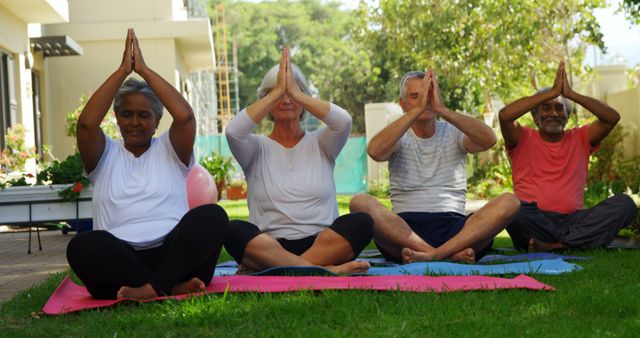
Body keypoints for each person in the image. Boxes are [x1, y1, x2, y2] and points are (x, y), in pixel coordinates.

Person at [66, 29, 228, 300]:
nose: (134, 122)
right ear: (116, 117)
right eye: (127, 114)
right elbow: (85, 124)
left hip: (176, 255)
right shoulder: (104, 154)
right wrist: (122, 72)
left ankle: (151, 288)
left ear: (157, 119)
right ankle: (167, 287)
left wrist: (144, 70)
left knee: (213, 216)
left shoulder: (171, 149)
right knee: (82, 246)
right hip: (120, 258)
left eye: (144, 115)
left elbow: (186, 118)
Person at [224, 48, 373, 274]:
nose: (286, 99)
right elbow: (233, 131)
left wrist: (296, 93)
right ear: (266, 100)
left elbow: (343, 121)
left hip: (323, 243)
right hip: (270, 245)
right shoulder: (254, 147)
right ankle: (324, 271)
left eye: (292, 92)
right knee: (232, 229)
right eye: (277, 93)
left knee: (362, 222)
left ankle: (279, 269)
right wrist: (278, 92)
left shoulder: (322, 142)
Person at [350, 70, 520, 263]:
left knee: (510, 202)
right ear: (402, 103)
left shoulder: (453, 132)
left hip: (456, 231)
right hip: (405, 232)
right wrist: (415, 111)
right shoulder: (398, 134)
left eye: (430, 95)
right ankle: (444, 255)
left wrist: (443, 110)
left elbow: (489, 140)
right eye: (417, 96)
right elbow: (375, 151)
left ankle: (432, 255)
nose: (425, 101)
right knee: (359, 203)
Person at [498, 62, 638, 252]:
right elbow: (505, 115)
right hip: (533, 220)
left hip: (572, 220)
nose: (553, 113)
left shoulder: (580, 137)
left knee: (625, 204)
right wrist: (550, 93)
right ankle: (581, 240)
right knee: (512, 207)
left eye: (559, 108)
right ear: (535, 117)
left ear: (567, 116)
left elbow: (612, 118)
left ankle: (556, 245)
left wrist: (571, 95)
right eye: (546, 108)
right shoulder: (520, 136)